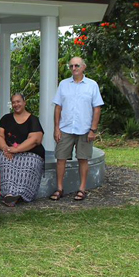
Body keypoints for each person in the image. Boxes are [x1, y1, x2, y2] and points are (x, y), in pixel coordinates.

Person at [50, 56, 103, 201]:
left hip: (85, 129)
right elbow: (58, 107)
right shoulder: (63, 84)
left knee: (83, 158)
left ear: (83, 67)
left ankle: (82, 189)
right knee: (60, 158)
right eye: (71, 66)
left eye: (77, 66)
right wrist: (56, 128)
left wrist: (93, 129)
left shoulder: (92, 85)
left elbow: (97, 108)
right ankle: (59, 188)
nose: (74, 69)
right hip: (65, 128)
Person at [0, 93, 45, 206]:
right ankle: (9, 195)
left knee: (29, 164)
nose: (16, 104)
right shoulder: (6, 118)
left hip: (30, 153)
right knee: (4, 160)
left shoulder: (33, 119)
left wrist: (16, 150)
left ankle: (20, 195)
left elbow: (36, 139)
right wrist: (5, 148)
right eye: (14, 102)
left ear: (24, 102)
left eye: (18, 101)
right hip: (7, 152)